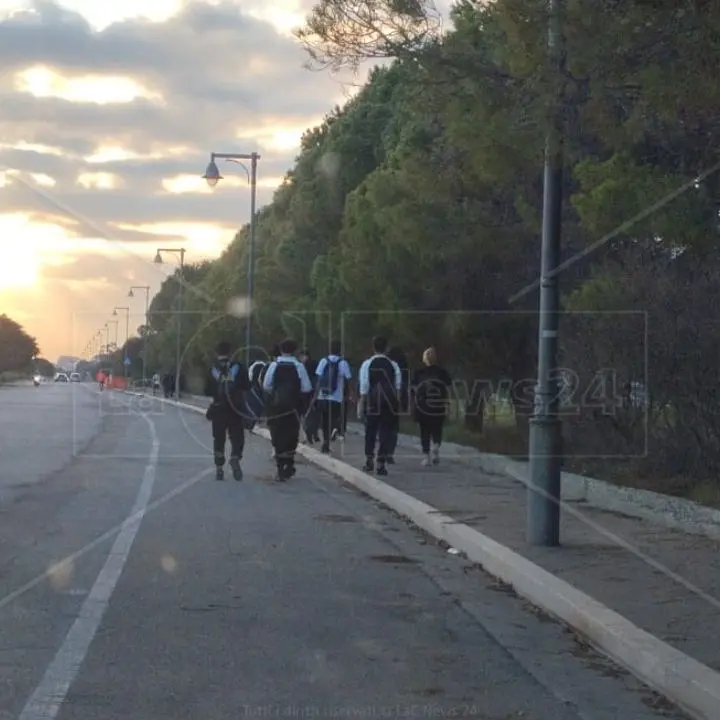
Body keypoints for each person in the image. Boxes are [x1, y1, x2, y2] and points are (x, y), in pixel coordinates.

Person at [263, 338, 313, 480]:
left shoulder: (274, 366)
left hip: (276, 407)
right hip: (293, 408)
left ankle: (280, 467)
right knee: (291, 435)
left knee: (277, 435)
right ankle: (289, 463)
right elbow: (307, 387)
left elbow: (267, 386)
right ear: (294, 351)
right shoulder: (299, 366)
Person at [204, 341, 251, 481]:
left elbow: (207, 390)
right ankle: (235, 457)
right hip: (235, 408)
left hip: (218, 408)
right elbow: (247, 386)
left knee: (218, 438)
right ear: (231, 352)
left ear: (216, 353)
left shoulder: (212, 369)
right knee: (237, 436)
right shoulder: (239, 367)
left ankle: (219, 468)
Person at [358, 336, 401, 476]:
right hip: (389, 402)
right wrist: (397, 404)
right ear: (386, 348)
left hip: (372, 401)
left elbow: (364, 386)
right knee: (385, 432)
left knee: (370, 431)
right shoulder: (393, 365)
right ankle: (381, 462)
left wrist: (361, 403)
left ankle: (369, 460)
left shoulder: (367, 364)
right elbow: (398, 387)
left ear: (373, 347)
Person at [411, 347, 452, 466]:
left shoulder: (419, 373)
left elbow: (414, 390)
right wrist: (448, 403)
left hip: (423, 406)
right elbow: (448, 388)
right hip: (438, 405)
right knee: (437, 429)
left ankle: (427, 457)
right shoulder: (442, 372)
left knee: (424, 431)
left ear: (424, 359)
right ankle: (436, 446)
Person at [314, 340, 352, 453]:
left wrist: (315, 395)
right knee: (336, 417)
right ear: (340, 350)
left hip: (323, 396)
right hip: (336, 397)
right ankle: (336, 429)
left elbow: (319, 380)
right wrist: (351, 394)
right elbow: (348, 380)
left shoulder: (323, 361)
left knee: (325, 421)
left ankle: (325, 443)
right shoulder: (343, 363)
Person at [386, 345, 410, 464]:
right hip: (394, 399)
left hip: (380, 400)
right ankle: (390, 453)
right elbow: (402, 386)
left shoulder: (384, 364)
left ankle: (383, 450)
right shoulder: (402, 366)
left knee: (383, 427)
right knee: (393, 428)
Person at [299, 349, 320, 444]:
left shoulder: (304, 366)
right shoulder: (316, 364)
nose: (300, 359)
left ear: (305, 356)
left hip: (306, 392)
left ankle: (308, 432)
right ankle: (314, 434)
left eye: (301, 356)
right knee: (314, 413)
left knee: (305, 413)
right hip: (315, 391)